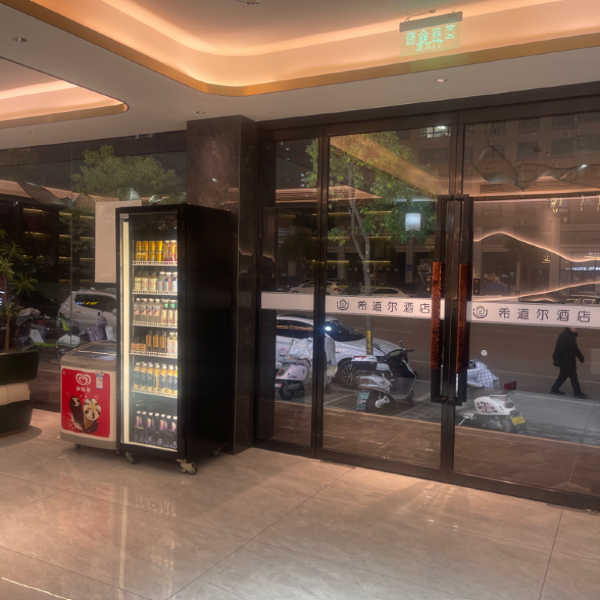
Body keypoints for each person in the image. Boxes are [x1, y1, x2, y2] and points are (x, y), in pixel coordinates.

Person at [551, 327, 589, 399]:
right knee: (573, 376)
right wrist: (556, 360)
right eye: (574, 326)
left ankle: (554, 389)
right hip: (566, 360)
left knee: (563, 376)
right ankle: (577, 392)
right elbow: (558, 349)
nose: (576, 328)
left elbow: (575, 348)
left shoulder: (570, 336)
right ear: (570, 327)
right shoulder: (565, 336)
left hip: (568, 360)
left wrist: (580, 356)